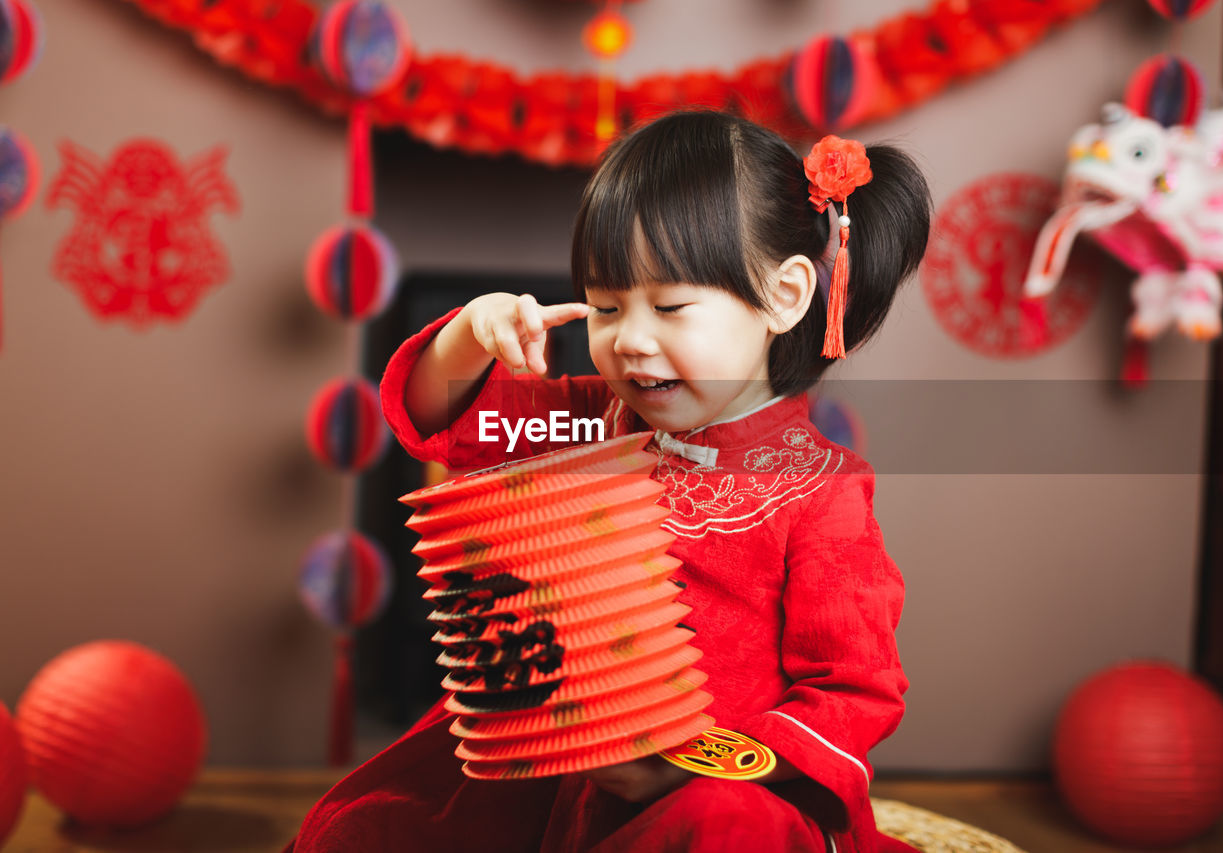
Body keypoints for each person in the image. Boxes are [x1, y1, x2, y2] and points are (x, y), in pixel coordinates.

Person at [288, 110, 931, 852]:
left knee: (728, 830)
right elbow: (451, 419)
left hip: (723, 789)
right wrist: (470, 331)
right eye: (604, 306)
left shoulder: (822, 487)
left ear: (784, 296)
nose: (627, 338)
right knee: (373, 825)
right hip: (563, 765)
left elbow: (852, 691)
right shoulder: (593, 419)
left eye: (670, 306)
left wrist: (688, 769)